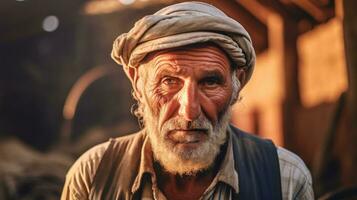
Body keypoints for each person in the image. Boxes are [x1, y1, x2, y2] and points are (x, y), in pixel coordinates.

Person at [61, 2, 314, 200]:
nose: (190, 112)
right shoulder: (92, 177)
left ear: (237, 84)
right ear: (137, 82)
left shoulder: (285, 178)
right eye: (169, 81)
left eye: (210, 82)